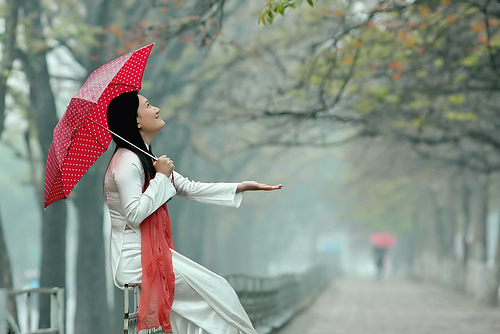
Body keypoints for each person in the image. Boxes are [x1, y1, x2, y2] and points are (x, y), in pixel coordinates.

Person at [104, 91, 282, 334]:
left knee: (205, 307)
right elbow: (134, 214)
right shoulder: (126, 162)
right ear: (136, 121)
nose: (156, 109)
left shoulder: (145, 158)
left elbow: (189, 188)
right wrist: (161, 178)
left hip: (152, 253)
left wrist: (240, 187)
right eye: (148, 105)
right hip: (136, 259)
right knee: (217, 292)